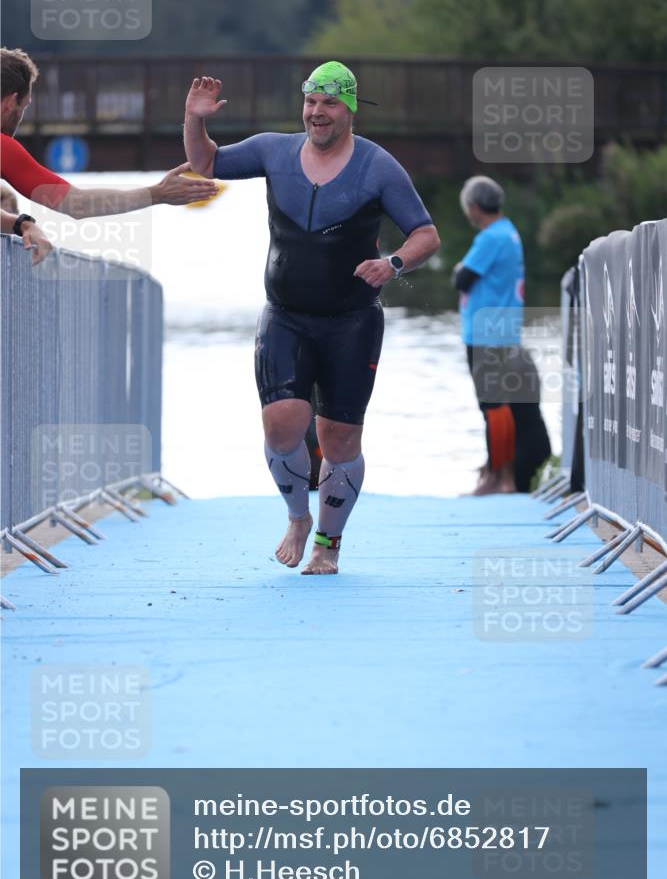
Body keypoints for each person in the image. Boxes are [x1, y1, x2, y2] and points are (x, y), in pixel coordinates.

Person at [184, 60, 440, 574]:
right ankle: (298, 516)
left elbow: (426, 236)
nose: (317, 113)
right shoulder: (272, 151)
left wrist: (392, 264)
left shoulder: (378, 167)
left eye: (329, 104)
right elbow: (206, 165)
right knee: (282, 423)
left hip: (352, 322)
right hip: (285, 315)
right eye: (310, 103)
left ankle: (329, 541)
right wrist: (195, 119)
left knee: (338, 437)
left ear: (349, 110)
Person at [1, 48, 217, 223]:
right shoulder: (4, 148)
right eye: (25, 106)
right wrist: (159, 193)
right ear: (11, 102)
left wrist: (19, 225)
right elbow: (78, 203)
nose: (21, 117)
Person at [454, 176, 551, 494]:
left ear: (473, 207)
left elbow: (463, 278)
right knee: (498, 404)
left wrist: (457, 269)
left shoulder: (489, 238)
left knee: (492, 405)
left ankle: (500, 476)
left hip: (485, 333)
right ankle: (500, 471)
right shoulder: (509, 232)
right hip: (503, 330)